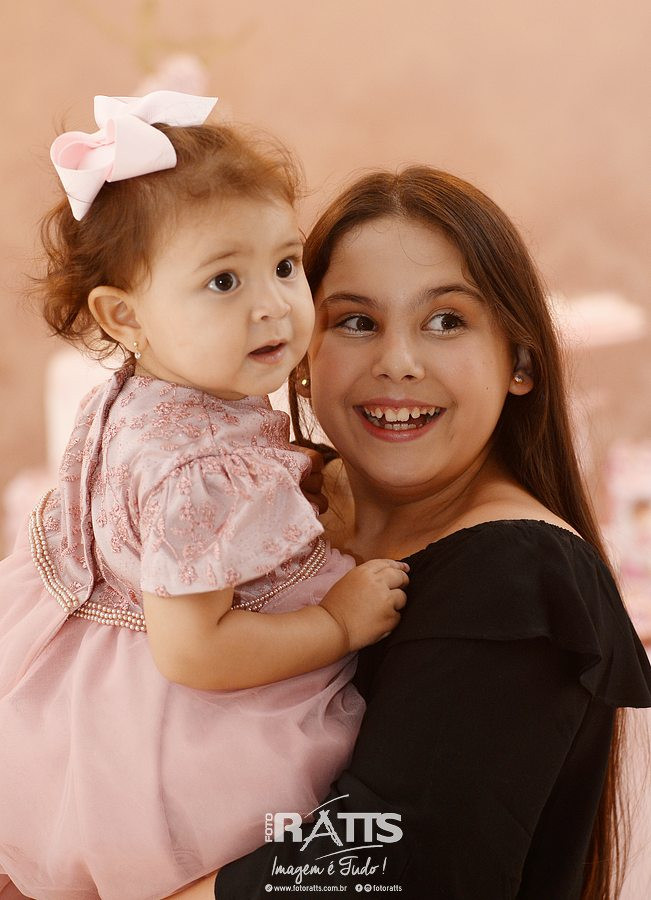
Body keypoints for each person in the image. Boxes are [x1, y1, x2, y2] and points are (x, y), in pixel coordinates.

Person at [172, 167, 651, 900]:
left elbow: (382, 863)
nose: (397, 363)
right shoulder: (254, 508)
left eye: (446, 321)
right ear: (302, 356)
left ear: (520, 362)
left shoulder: (516, 572)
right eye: (356, 322)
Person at [0, 93, 410, 900]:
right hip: (179, 730)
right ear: (125, 317)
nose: (272, 304)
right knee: (342, 832)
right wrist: (335, 623)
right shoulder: (198, 471)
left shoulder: (142, 396)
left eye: (285, 266)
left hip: (77, 676)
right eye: (223, 280)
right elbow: (194, 652)